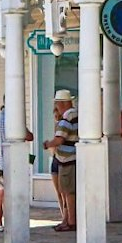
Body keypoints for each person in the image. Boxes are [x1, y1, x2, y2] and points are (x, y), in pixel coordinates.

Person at [0, 102, 33, 233]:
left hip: (2, 163)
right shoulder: (15, 118)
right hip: (16, 162)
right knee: (16, 192)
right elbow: (30, 137)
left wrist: (1, 154)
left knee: (1, 194)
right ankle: (16, 221)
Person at [43, 90, 78, 232]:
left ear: (62, 103)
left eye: (57, 103)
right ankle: (67, 219)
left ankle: (70, 221)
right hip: (72, 158)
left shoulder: (66, 119)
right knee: (66, 191)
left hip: (67, 159)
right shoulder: (77, 116)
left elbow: (60, 139)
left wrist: (48, 144)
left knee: (68, 192)